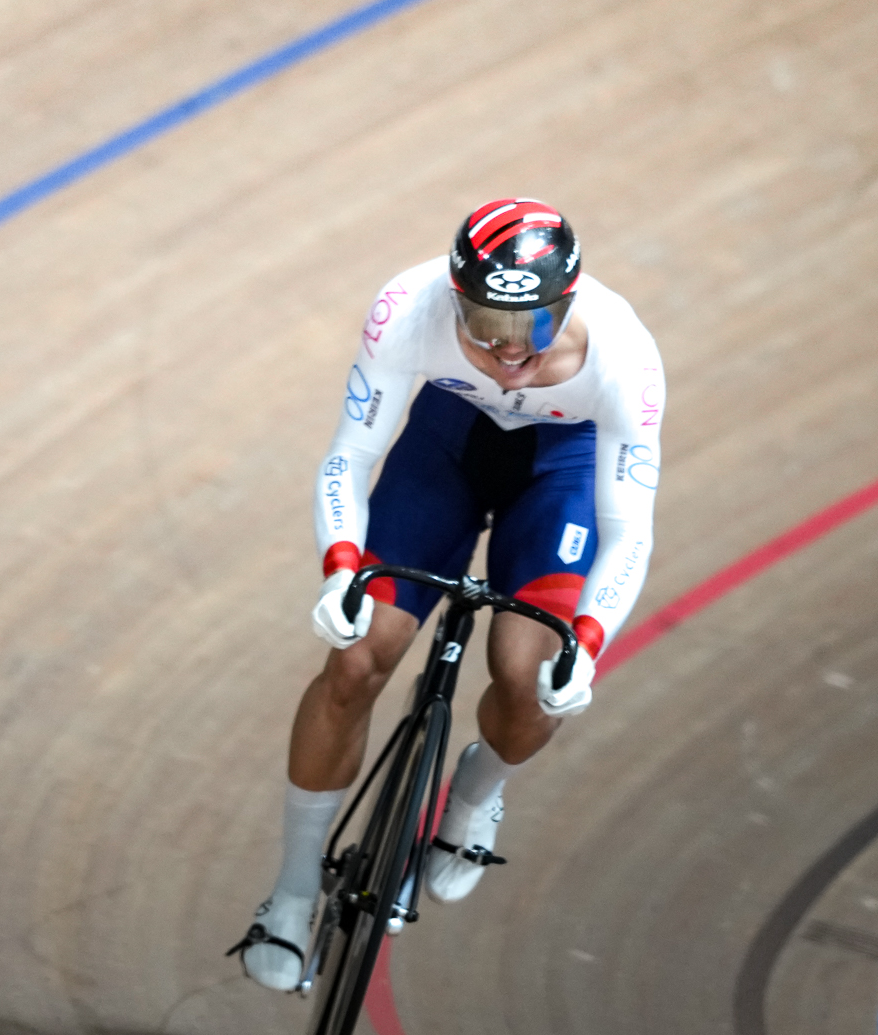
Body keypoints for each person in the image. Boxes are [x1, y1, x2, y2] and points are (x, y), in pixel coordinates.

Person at [234, 198, 663, 991]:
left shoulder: (625, 357)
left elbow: (628, 527)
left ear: (566, 303)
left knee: (533, 674)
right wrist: (340, 568)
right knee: (358, 658)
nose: (505, 351)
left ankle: (475, 792)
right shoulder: (408, 307)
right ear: (452, 296)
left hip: (558, 472)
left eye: (529, 328)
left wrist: (590, 642)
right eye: (481, 322)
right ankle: (292, 893)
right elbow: (349, 457)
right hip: (446, 446)